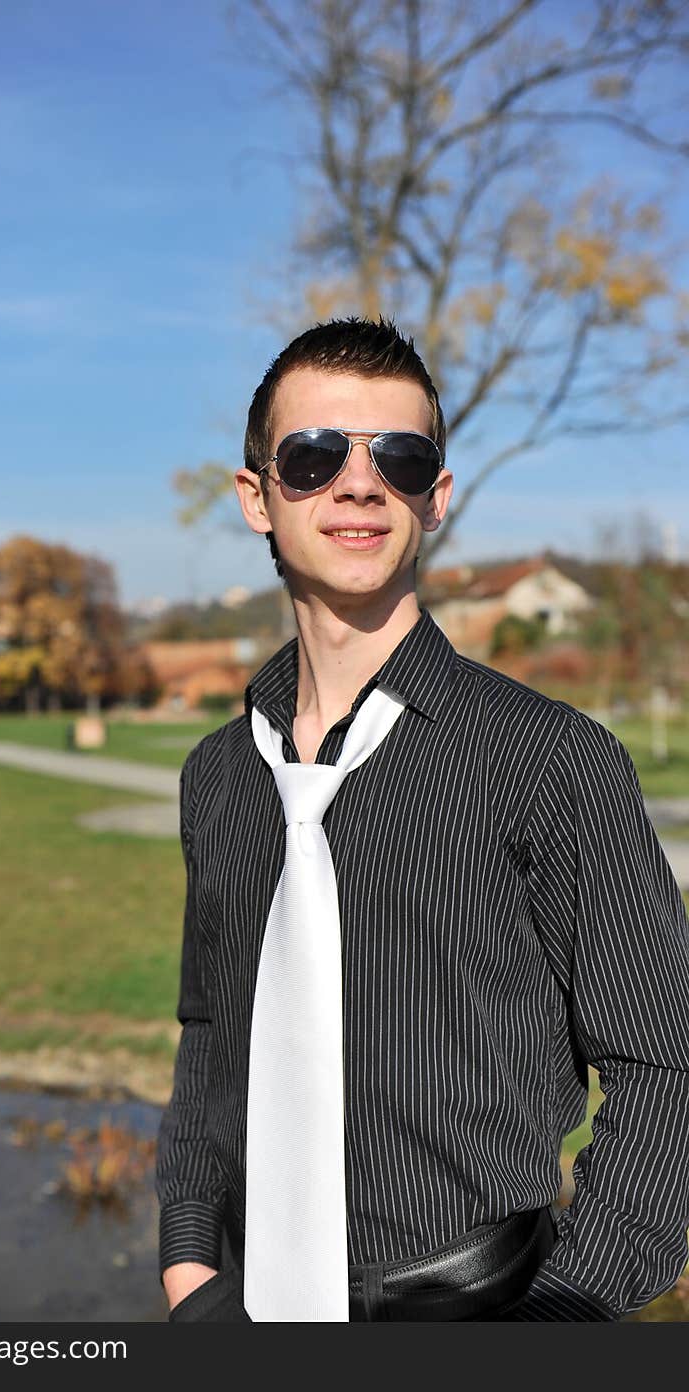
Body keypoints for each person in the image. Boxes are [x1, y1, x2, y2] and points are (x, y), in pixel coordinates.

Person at [155, 317, 689, 1322]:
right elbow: (209, 1029)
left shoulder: (551, 760)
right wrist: (188, 1258)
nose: (359, 484)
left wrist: (567, 1312)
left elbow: (664, 1063)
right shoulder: (220, 777)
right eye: (312, 457)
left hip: (483, 1310)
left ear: (434, 498)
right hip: (244, 1303)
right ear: (255, 495)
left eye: (397, 458)